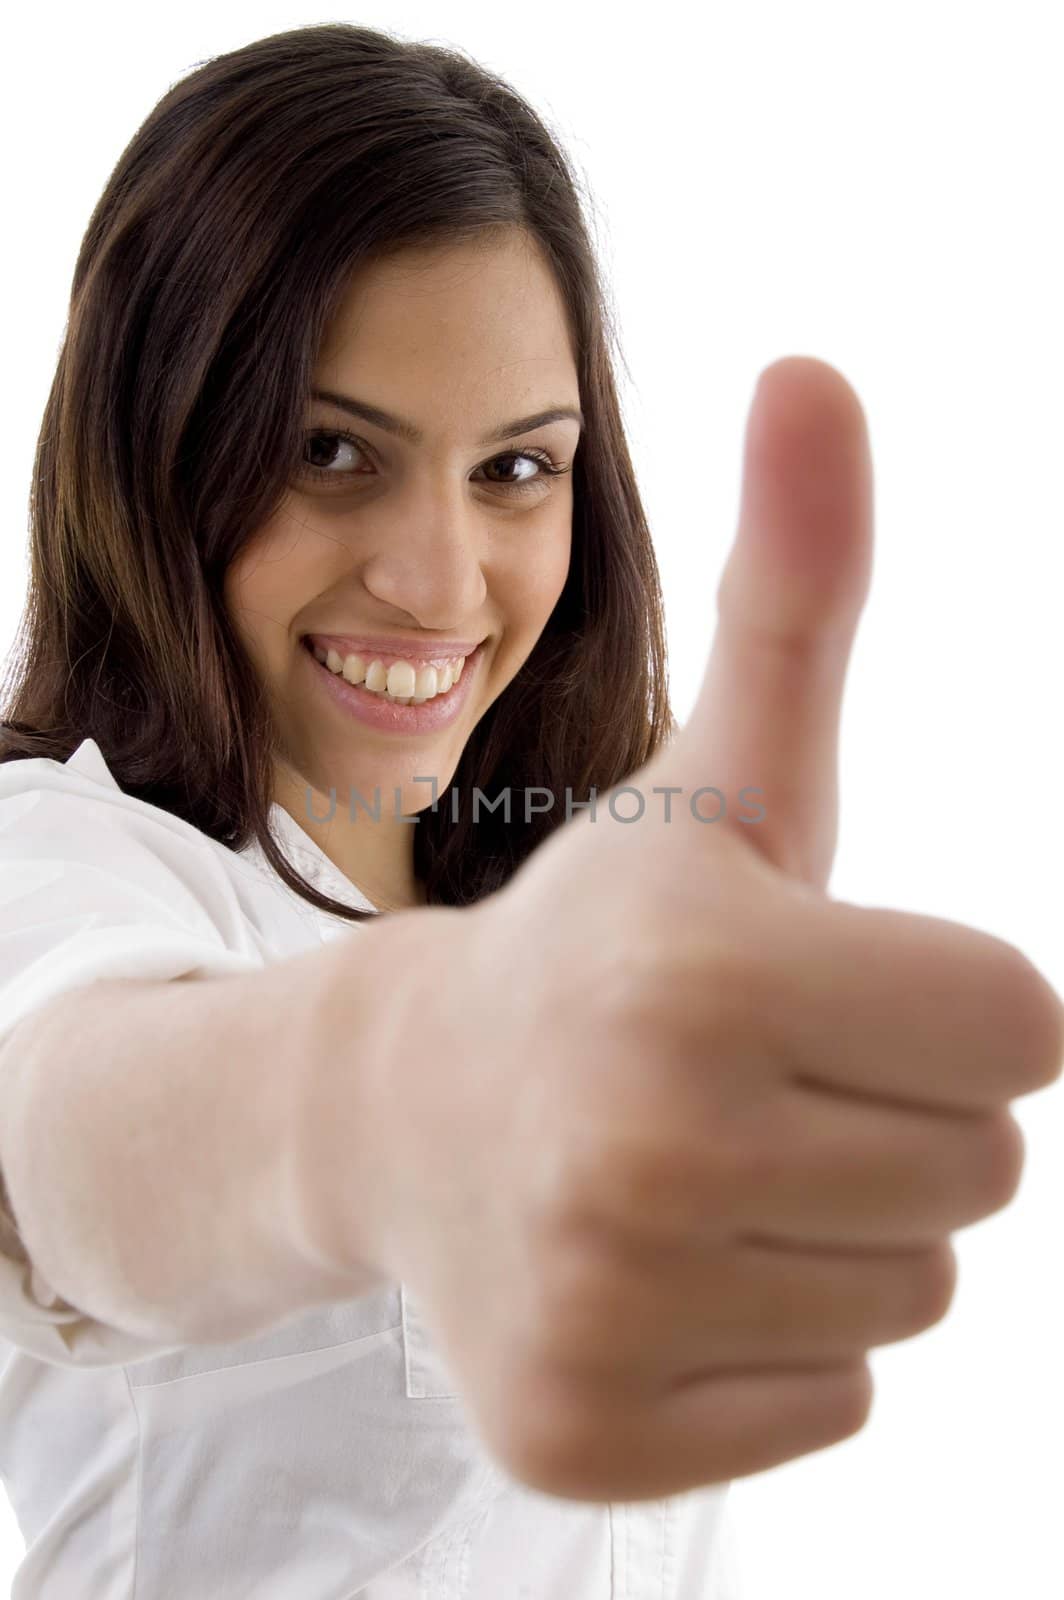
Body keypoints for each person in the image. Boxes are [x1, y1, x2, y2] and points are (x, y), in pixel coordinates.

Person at [0, 21, 1059, 1600]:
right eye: (330, 450)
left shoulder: (581, 891)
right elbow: (73, 1135)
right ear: (157, 449)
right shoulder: (62, 859)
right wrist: (383, 1102)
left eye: (514, 470)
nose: (439, 582)